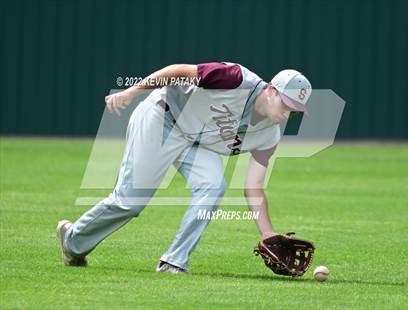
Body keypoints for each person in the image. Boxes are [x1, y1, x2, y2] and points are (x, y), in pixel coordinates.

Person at [57, 62, 312, 274]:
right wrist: (131, 92)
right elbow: (177, 70)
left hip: (194, 141)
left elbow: (253, 187)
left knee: (214, 186)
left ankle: (173, 262)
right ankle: (73, 240)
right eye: (287, 104)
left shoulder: (270, 135)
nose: (289, 113)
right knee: (130, 202)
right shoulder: (235, 79)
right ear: (270, 90)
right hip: (163, 118)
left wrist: (267, 234)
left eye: (296, 111)